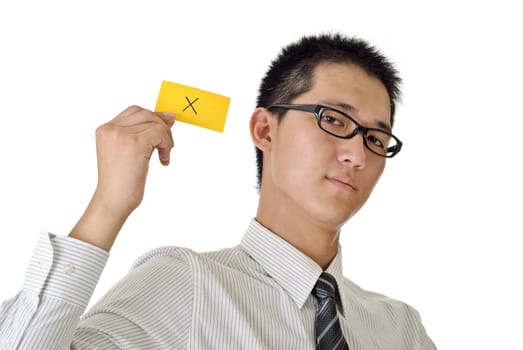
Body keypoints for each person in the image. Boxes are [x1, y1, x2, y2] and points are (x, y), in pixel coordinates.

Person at [0, 33, 436, 349]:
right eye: (334, 121)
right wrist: (108, 205)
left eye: (376, 139)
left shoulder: (400, 330)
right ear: (265, 129)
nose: (357, 155)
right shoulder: (187, 285)